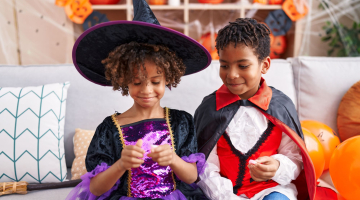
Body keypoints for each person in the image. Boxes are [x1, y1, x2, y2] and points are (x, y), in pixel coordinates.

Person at [66, 0, 211, 199]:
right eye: (136, 82)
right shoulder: (109, 129)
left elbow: (191, 176)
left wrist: (173, 159)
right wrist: (121, 164)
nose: (146, 90)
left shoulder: (181, 122)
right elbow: (96, 189)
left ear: (168, 78)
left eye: (155, 81)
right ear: (124, 81)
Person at [194, 18, 316, 200]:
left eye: (243, 66)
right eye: (224, 65)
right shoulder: (210, 109)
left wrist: (277, 166)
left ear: (264, 65)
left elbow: (294, 156)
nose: (232, 74)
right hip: (224, 194)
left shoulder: (280, 105)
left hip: (270, 190)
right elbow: (205, 165)